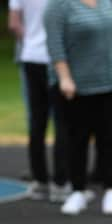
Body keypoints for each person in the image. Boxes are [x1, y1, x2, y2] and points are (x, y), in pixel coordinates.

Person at [43, 0, 112, 215]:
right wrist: (64, 78)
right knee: (77, 140)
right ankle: (77, 191)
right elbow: (55, 46)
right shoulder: (59, 6)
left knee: (108, 139)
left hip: (110, 83)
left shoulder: (106, 3)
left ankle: (111, 190)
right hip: (77, 86)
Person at [8, 0, 70, 202]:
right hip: (56, 59)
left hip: (31, 56)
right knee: (62, 121)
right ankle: (60, 182)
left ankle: (39, 180)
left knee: (37, 121)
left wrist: (30, 40)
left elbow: (14, 24)